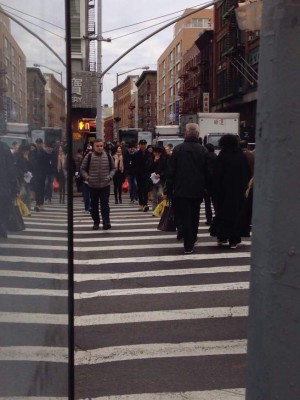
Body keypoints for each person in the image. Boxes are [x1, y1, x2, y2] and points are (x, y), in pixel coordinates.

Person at [165, 123, 208, 254]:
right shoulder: (203, 150)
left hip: (180, 189)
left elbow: (171, 171)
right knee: (194, 215)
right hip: (197, 190)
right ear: (197, 135)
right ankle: (192, 238)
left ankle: (187, 241)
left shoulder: (178, 149)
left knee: (184, 215)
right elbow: (207, 171)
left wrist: (168, 188)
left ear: (186, 134)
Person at [209, 134, 252, 249]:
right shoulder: (241, 156)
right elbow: (247, 173)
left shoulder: (222, 156)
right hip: (238, 192)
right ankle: (234, 239)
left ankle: (222, 237)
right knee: (237, 214)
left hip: (223, 192)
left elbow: (216, 175)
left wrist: (214, 190)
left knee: (222, 214)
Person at [80, 139, 115, 230]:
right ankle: (96, 222)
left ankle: (106, 222)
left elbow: (113, 169)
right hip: (92, 185)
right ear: (94, 147)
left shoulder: (108, 155)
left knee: (105, 204)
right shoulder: (89, 156)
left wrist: (109, 177)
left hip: (105, 185)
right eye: (97, 146)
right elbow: (82, 169)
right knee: (94, 205)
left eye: (101, 146)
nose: (99, 148)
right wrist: (87, 178)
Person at [0, 141, 17, 238]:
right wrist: (14, 186)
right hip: (3, 186)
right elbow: (11, 168)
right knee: (3, 208)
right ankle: (2, 226)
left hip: (3, 185)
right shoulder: (5, 147)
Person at [132, 139, 153, 212]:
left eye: (144, 144)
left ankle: (145, 204)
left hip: (147, 174)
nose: (143, 146)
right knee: (140, 189)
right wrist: (135, 171)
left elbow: (151, 163)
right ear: (139, 145)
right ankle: (141, 204)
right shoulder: (136, 154)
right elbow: (133, 164)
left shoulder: (149, 154)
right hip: (139, 174)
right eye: (141, 144)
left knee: (145, 189)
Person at [31, 138, 48, 212]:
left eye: (40, 143)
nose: (38, 145)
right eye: (37, 143)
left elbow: (46, 163)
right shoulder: (33, 152)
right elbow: (31, 162)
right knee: (37, 189)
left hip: (43, 174)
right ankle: (37, 204)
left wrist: (45, 172)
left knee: (42, 189)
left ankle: (41, 203)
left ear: (42, 144)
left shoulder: (44, 153)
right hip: (35, 173)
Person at [149, 146, 168, 212]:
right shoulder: (151, 158)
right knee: (154, 196)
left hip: (161, 180)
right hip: (153, 180)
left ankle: (159, 210)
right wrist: (154, 161)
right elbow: (149, 168)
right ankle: (154, 210)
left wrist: (160, 174)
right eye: (154, 152)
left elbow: (166, 169)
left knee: (160, 195)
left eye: (156, 152)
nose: (155, 154)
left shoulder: (164, 159)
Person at [16, 144, 34, 212]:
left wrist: (27, 160)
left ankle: (27, 208)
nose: (27, 152)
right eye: (26, 151)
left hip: (27, 177)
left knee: (28, 193)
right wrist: (22, 173)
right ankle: (21, 207)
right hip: (20, 178)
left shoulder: (27, 157)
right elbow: (16, 167)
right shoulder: (18, 157)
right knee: (23, 193)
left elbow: (32, 167)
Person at [204, 143, 217, 225]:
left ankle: (209, 219)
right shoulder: (216, 157)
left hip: (206, 183)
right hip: (215, 183)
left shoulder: (204, 158)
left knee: (207, 202)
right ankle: (217, 217)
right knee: (216, 202)